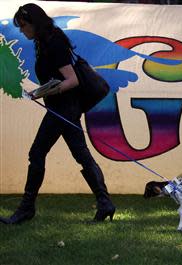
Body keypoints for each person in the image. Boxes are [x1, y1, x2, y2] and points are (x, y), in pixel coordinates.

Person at [0, 3, 115, 224]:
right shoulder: (46, 40)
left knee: (37, 153)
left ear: (34, 22)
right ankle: (105, 203)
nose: (22, 31)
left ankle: (26, 208)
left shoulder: (54, 43)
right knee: (81, 155)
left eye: (23, 26)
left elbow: (72, 80)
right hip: (63, 107)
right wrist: (41, 92)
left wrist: (49, 90)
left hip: (63, 109)